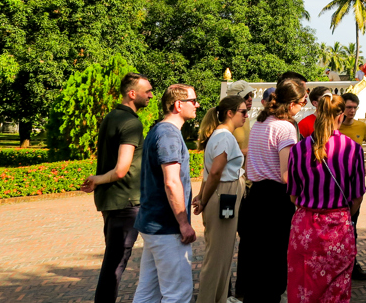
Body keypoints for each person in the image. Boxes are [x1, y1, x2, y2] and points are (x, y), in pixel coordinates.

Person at [287, 92, 366, 302]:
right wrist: (342, 213)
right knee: (336, 288)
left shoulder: (298, 149)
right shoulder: (353, 149)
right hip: (338, 226)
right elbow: (357, 196)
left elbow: (293, 196)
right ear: (340, 116)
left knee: (304, 286)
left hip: (305, 227)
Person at [82, 73, 154, 303]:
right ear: (132, 94)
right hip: (126, 202)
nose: (151, 95)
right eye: (147, 91)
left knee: (116, 259)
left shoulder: (111, 117)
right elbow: (122, 169)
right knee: (116, 263)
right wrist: (97, 179)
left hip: (113, 201)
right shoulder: (132, 122)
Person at [239, 77, 308, 303]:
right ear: (291, 104)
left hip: (256, 194)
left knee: (255, 255)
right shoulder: (285, 127)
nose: (302, 107)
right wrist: (299, 198)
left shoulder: (260, 123)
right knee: (275, 257)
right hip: (276, 198)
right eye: (302, 102)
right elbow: (286, 173)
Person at [132, 83, 199, 303]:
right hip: (166, 227)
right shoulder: (168, 134)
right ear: (178, 105)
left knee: (148, 292)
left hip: (153, 224)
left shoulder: (159, 130)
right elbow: (171, 182)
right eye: (193, 101)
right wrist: (183, 223)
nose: (197, 105)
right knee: (177, 294)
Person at [193, 95, 248, 303]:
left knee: (222, 253)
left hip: (222, 194)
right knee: (217, 256)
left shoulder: (220, 135)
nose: (246, 115)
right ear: (230, 113)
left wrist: (201, 195)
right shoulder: (224, 136)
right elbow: (215, 172)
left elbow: (209, 173)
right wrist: (204, 200)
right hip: (223, 194)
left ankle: (219, 298)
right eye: (242, 112)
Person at [339, 91, 366, 280]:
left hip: (354, 184)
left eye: (354, 107)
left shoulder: (361, 127)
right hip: (336, 184)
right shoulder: (335, 128)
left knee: (352, 224)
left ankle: (352, 264)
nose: (352, 111)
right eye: (348, 107)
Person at [225, 80, 255, 158]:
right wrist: (244, 152)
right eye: (246, 96)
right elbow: (219, 156)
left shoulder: (245, 119)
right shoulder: (224, 121)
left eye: (251, 95)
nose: (250, 99)